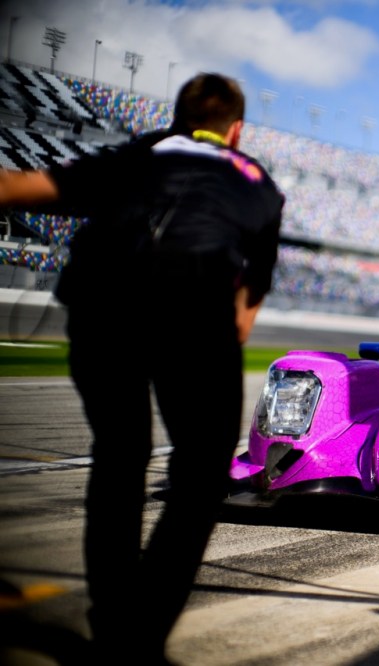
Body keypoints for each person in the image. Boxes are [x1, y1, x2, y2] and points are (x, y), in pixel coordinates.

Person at [0, 72, 284, 663]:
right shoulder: (258, 182)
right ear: (236, 130)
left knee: (120, 457)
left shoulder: (137, 154)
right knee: (202, 477)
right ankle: (137, 637)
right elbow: (243, 310)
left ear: (178, 118)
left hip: (100, 306)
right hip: (195, 311)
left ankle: (113, 622)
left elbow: (15, 187)